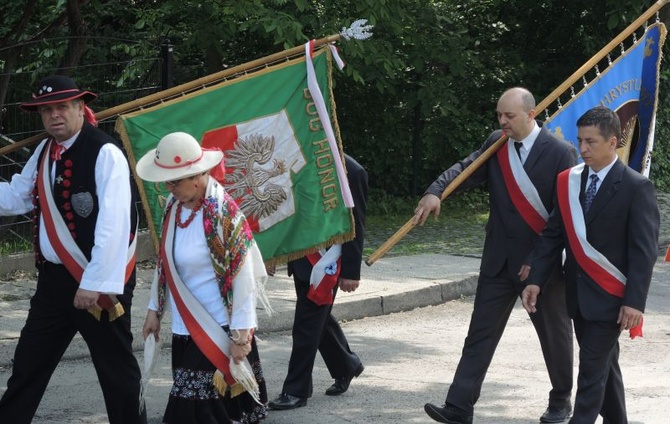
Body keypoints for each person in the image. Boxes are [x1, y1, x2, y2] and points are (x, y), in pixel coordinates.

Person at [417, 87, 577, 424]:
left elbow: (561, 217)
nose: (502, 121)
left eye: (509, 116)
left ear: (531, 114)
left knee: (554, 335)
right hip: (498, 261)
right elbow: (466, 168)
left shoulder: (561, 152)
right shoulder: (497, 141)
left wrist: (539, 262)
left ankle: (561, 400)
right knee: (479, 334)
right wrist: (436, 191)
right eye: (499, 115)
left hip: (540, 265)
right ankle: (459, 406)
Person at [0, 75, 145, 423]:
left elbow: (115, 226)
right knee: (28, 366)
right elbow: (17, 196)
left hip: (99, 283)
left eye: (62, 106)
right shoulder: (44, 150)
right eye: (46, 110)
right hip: (53, 283)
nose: (54, 116)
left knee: (117, 372)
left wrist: (94, 283)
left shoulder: (105, 152)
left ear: (81, 108)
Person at [521, 106, 660, 424]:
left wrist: (634, 302)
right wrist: (535, 280)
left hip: (612, 300)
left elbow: (643, 252)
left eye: (591, 142)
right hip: (579, 297)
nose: (582, 148)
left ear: (613, 143)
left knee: (591, 374)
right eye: (580, 140)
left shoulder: (636, 188)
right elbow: (552, 235)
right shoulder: (568, 183)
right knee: (605, 371)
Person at [137, 132, 270, 424]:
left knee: (195, 411)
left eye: (174, 182)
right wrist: (153, 310)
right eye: (166, 181)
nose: (168, 188)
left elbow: (243, 279)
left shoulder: (225, 215)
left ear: (196, 176)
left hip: (219, 329)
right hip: (186, 328)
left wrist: (241, 336)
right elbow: (165, 262)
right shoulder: (173, 208)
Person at [268, 154, 368, 410]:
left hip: (327, 263)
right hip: (302, 257)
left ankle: (296, 390)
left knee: (306, 324)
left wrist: (352, 271)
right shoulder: (296, 162)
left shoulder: (351, 171)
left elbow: (356, 223)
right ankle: (347, 364)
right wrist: (272, 254)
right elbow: (283, 211)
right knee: (315, 321)